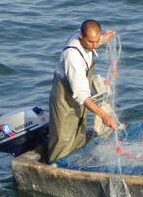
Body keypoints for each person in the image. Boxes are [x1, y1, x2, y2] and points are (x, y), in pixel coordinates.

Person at [47, 19, 117, 163]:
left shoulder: (88, 41)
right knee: (64, 138)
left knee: (79, 131)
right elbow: (81, 96)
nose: (94, 46)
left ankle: (74, 164)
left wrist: (104, 38)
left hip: (78, 93)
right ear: (80, 37)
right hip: (64, 98)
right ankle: (56, 168)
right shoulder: (73, 57)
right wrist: (104, 116)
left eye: (97, 41)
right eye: (91, 42)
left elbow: (94, 40)